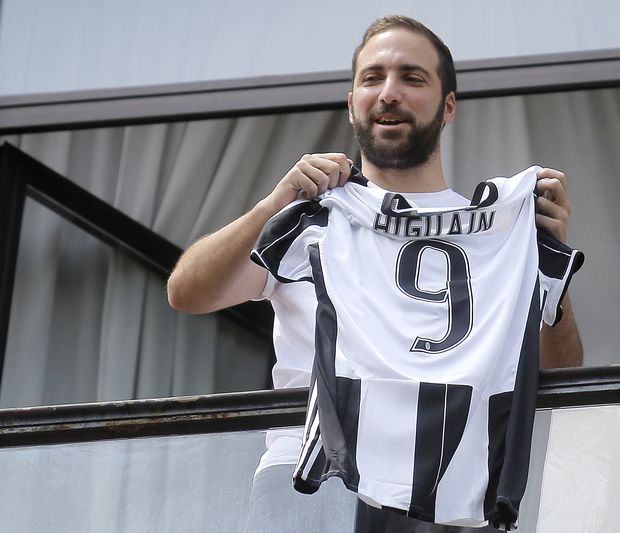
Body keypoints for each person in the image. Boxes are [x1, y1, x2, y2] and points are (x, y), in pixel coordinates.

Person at [167, 14, 582, 532]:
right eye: (372, 78)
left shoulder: (500, 233)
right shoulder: (312, 215)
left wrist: (547, 268)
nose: (389, 93)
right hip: (314, 478)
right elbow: (187, 293)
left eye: (412, 77)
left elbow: (561, 377)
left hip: (451, 482)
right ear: (351, 103)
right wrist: (272, 207)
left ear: (448, 106)